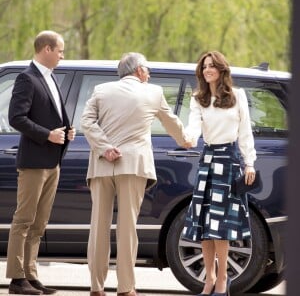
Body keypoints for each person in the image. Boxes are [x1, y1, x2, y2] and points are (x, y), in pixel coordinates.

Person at [80, 52, 192, 296]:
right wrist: (186, 140)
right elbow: (171, 122)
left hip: (101, 166)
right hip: (133, 166)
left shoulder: (101, 90)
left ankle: (96, 287)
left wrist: (105, 147)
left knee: (98, 226)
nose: (149, 74)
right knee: (127, 227)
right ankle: (126, 287)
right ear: (139, 71)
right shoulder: (153, 92)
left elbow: (86, 123)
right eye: (147, 70)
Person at [6, 30, 76, 295]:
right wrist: (47, 134)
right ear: (46, 49)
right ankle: (16, 278)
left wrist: (66, 131)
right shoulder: (27, 78)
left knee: (39, 223)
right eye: (60, 51)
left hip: (52, 161)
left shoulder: (51, 77)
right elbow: (16, 117)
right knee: (24, 220)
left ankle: (30, 275)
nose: (62, 55)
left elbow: (51, 116)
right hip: (34, 161)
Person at [183, 51, 256, 296]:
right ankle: (209, 277)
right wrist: (188, 138)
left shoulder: (237, 96)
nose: (208, 70)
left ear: (222, 69)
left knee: (221, 227)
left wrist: (249, 163)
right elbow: (193, 128)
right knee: (204, 225)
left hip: (230, 161)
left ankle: (223, 277)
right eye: (205, 66)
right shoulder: (198, 98)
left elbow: (245, 131)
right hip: (208, 160)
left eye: (212, 66)